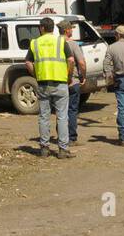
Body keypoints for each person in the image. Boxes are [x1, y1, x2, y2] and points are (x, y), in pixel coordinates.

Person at [25, 16, 75, 158]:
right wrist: (69, 76)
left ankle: (44, 149)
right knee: (62, 117)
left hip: (43, 84)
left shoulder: (35, 43)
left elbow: (28, 62)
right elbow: (70, 60)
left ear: (42, 28)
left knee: (44, 117)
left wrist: (36, 74)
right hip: (60, 83)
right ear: (53, 28)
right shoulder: (61, 41)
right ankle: (63, 150)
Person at [59, 19, 87, 144]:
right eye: (71, 28)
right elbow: (81, 63)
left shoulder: (55, 43)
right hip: (72, 81)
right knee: (72, 110)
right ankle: (71, 137)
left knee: (61, 110)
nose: (72, 30)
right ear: (67, 30)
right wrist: (83, 76)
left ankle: (61, 136)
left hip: (58, 82)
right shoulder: (73, 44)